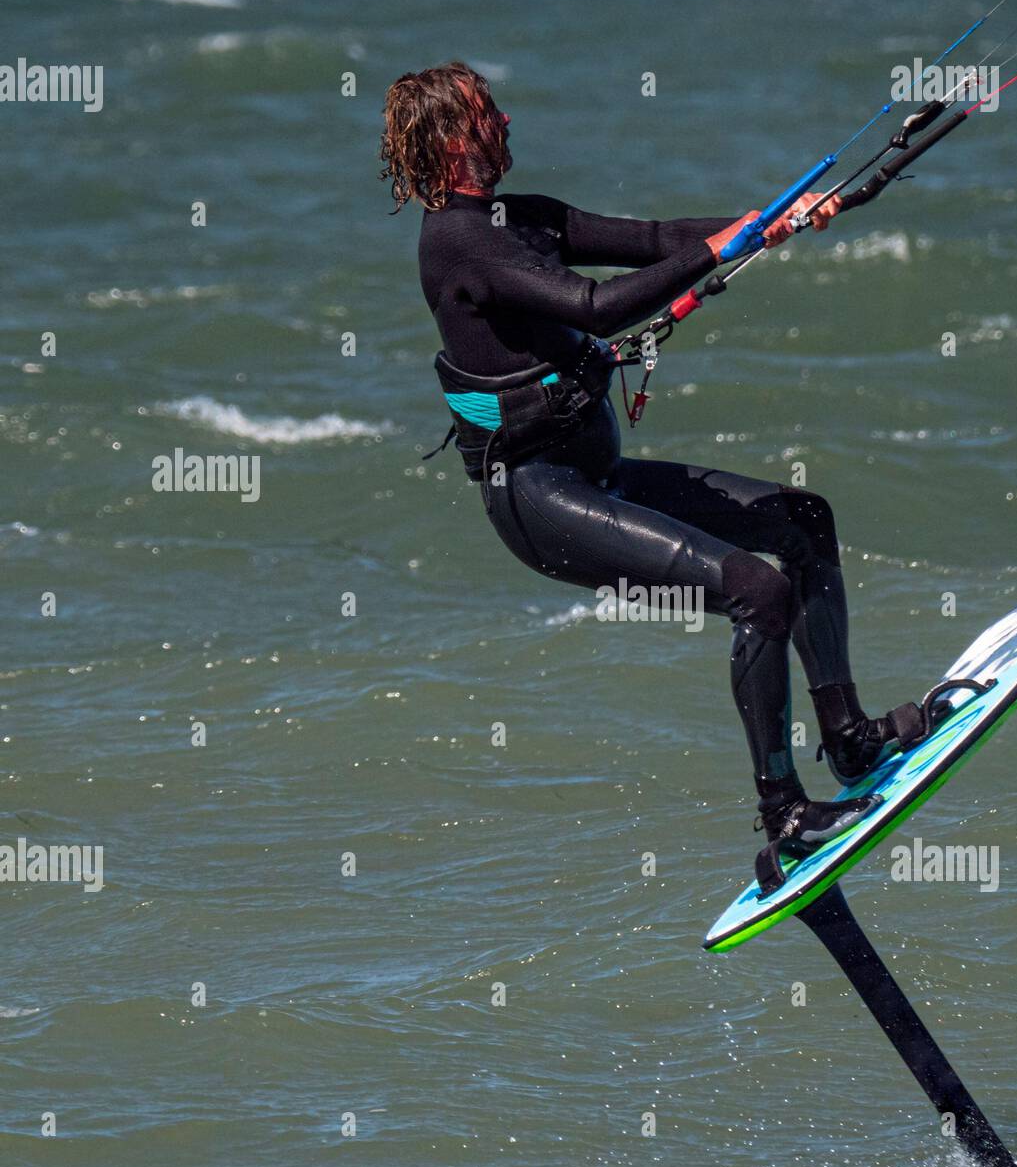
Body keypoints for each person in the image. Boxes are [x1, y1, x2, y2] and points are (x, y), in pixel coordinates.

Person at [381, 63, 945, 890]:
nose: (508, 119)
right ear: (455, 138)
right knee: (756, 589)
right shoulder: (459, 243)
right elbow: (597, 307)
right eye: (488, 113)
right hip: (540, 498)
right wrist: (720, 249)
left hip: (593, 471)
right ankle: (784, 812)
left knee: (805, 522)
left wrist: (769, 223)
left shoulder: (516, 218)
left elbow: (649, 241)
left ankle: (851, 738)